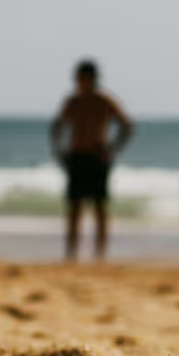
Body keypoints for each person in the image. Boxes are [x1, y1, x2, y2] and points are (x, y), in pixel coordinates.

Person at [49, 60, 134, 261]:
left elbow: (127, 125)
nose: (81, 82)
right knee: (74, 207)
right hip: (77, 156)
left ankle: (100, 254)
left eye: (84, 78)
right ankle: (71, 254)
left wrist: (113, 149)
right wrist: (59, 150)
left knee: (100, 207)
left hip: (97, 157)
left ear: (92, 79)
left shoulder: (103, 101)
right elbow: (57, 126)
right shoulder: (73, 102)